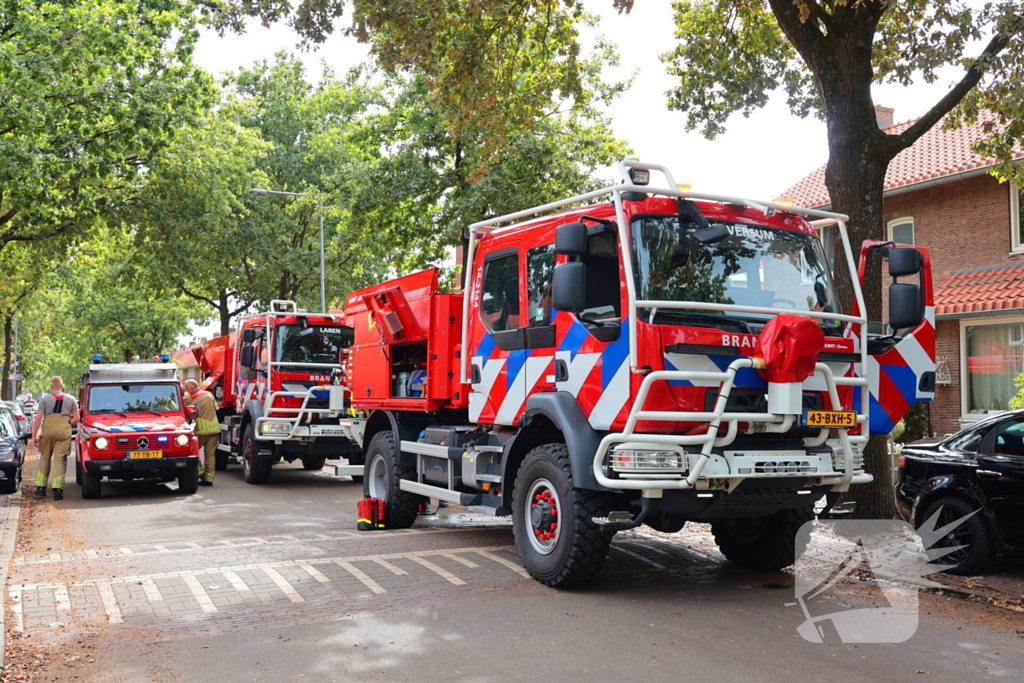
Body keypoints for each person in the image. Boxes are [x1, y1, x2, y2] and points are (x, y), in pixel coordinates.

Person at [31, 376, 79, 501]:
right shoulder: (71, 399)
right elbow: (77, 418)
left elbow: (38, 418)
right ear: (62, 386)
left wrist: (34, 435)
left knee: (45, 458)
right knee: (60, 460)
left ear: (51, 386)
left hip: (48, 429)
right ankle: (57, 491)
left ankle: (41, 489)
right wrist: (67, 423)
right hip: (63, 431)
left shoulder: (45, 399)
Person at [183, 379, 219, 486]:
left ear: (190, 388)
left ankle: (200, 472)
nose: (186, 390)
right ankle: (209, 479)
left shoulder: (189, 399)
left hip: (202, 430)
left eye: (186, 388)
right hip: (215, 429)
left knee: (191, 450)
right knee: (210, 455)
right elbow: (216, 408)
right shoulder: (209, 394)